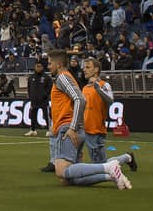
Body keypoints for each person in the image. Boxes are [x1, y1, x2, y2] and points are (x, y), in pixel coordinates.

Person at [45, 50, 130, 188]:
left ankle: (108, 167)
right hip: (77, 127)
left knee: (61, 171)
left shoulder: (63, 77)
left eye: (50, 63)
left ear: (59, 64)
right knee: (69, 179)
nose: (48, 66)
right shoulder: (70, 79)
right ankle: (110, 175)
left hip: (69, 128)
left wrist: (72, 127)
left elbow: (80, 99)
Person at [80, 57, 135, 171]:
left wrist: (98, 89)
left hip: (96, 129)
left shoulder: (104, 85)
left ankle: (127, 157)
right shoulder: (85, 88)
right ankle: (127, 157)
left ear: (96, 70)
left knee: (101, 165)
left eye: (88, 67)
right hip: (86, 128)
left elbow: (110, 101)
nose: (84, 70)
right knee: (100, 164)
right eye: (84, 67)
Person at [24, 58, 51, 137]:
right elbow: (29, 88)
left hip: (43, 100)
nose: (38, 68)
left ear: (42, 67)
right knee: (33, 116)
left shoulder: (46, 77)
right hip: (34, 100)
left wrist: (44, 95)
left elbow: (50, 88)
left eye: (39, 66)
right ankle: (32, 130)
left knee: (46, 115)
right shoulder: (31, 77)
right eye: (36, 66)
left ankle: (49, 129)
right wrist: (30, 96)